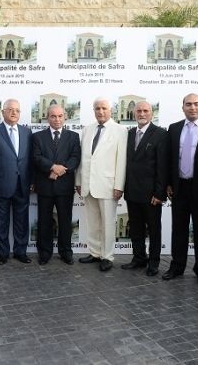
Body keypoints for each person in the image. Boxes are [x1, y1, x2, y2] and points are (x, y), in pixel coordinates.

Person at [164, 93, 198, 286]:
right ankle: (177, 266)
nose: (192, 107)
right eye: (188, 104)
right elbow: (169, 158)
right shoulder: (174, 128)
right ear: (183, 107)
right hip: (179, 187)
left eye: (196, 104)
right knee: (179, 230)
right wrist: (168, 183)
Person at [75, 97, 127, 272]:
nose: (100, 111)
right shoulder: (87, 130)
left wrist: (119, 185)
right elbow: (82, 159)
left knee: (108, 223)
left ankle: (107, 256)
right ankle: (95, 253)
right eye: (97, 108)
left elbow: (121, 161)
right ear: (93, 111)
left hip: (108, 186)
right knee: (92, 222)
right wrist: (78, 181)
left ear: (110, 110)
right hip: (87, 185)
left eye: (104, 108)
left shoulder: (120, 131)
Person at [0, 98, 33, 265]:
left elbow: (30, 159)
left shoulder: (27, 132)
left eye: (17, 110)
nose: (13, 113)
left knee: (22, 221)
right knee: (1, 222)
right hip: (1, 184)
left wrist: (32, 180)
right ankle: (3, 254)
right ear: (3, 112)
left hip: (22, 184)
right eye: (10, 109)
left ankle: (20, 252)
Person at [122, 101, 169, 277]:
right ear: (134, 113)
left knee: (154, 229)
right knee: (136, 228)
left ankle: (154, 262)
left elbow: (163, 167)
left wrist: (159, 193)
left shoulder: (161, 134)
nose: (142, 114)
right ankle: (139, 258)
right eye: (139, 111)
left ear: (152, 113)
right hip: (132, 190)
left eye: (145, 111)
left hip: (151, 194)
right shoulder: (129, 134)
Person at [32, 104, 81, 265]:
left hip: (65, 187)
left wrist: (60, 170)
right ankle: (44, 253)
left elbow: (75, 158)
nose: (57, 119)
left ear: (65, 117)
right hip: (45, 186)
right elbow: (36, 157)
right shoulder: (38, 137)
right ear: (48, 118)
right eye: (53, 116)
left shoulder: (73, 136)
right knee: (44, 221)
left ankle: (66, 252)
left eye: (60, 116)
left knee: (65, 221)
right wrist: (53, 167)